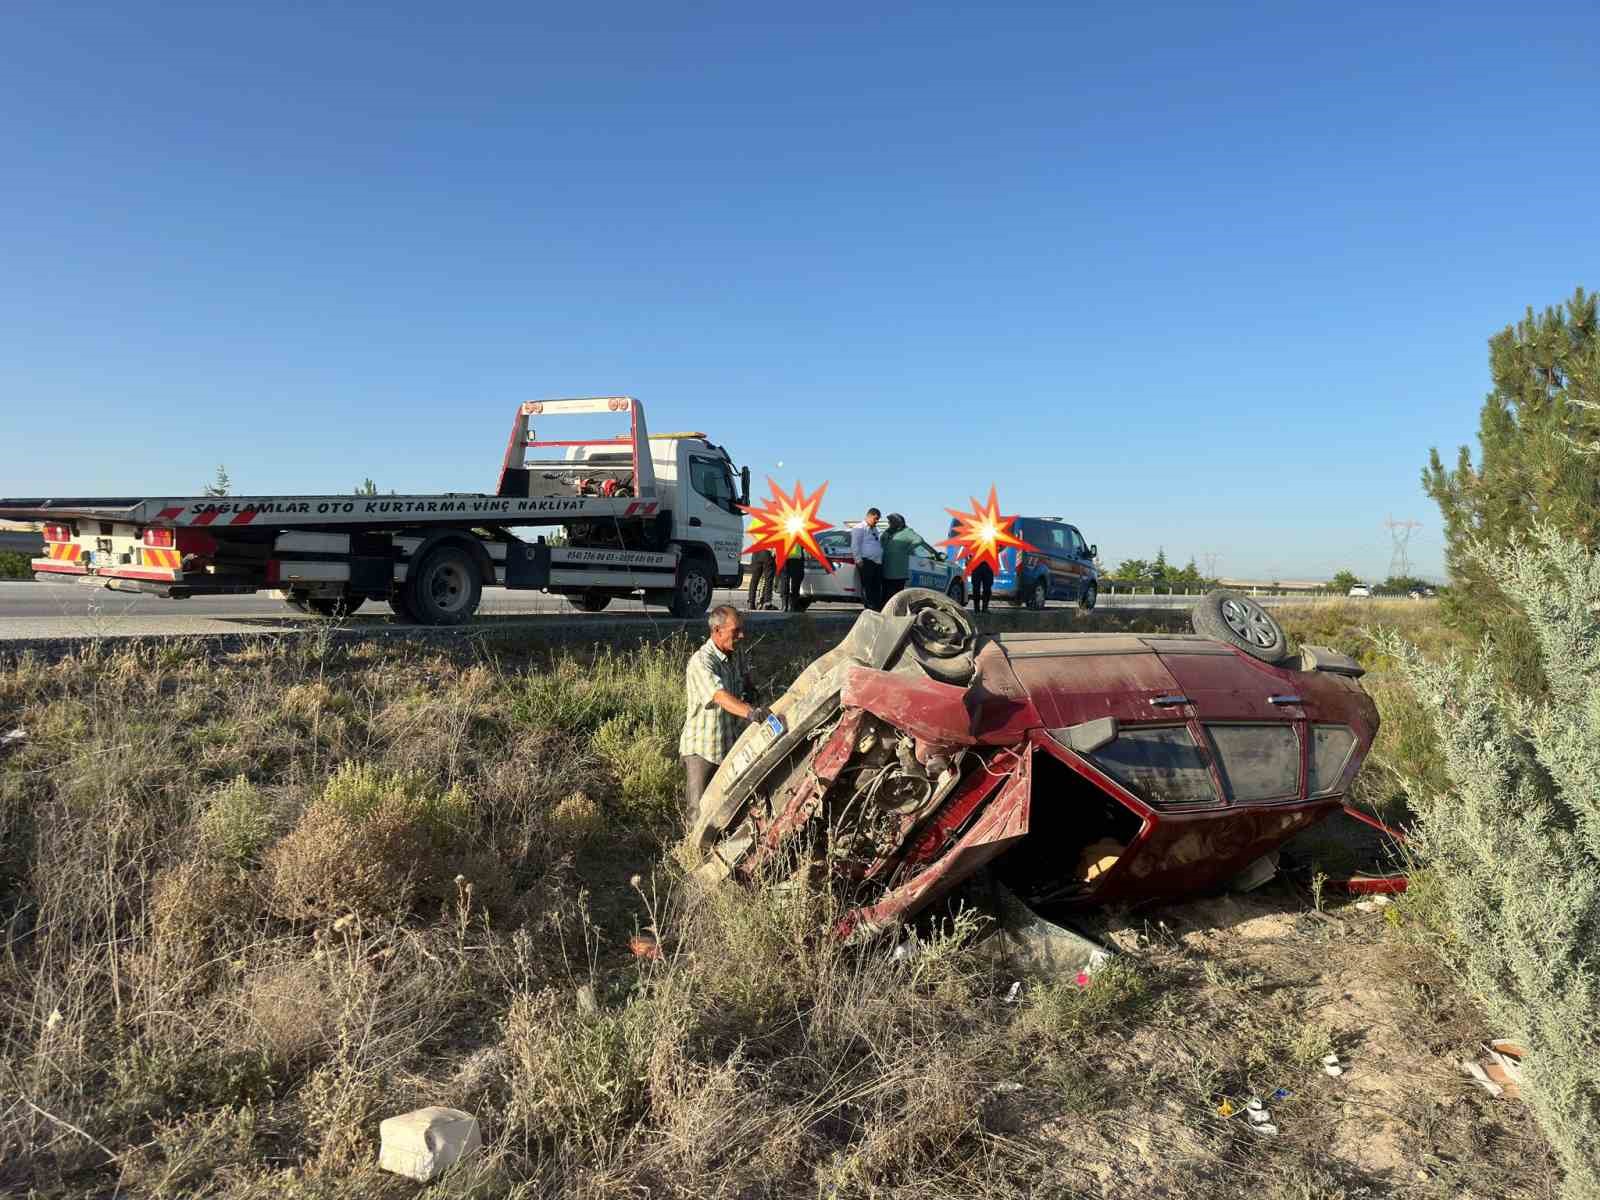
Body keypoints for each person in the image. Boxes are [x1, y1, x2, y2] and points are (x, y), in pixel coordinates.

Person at [679, 606, 780, 824]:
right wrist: (751, 713)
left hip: (728, 745)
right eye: (736, 631)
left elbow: (744, 679)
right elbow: (719, 695)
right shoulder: (702, 662)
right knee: (698, 811)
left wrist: (752, 691)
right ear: (717, 631)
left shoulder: (735, 653)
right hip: (703, 749)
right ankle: (693, 855)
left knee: (725, 808)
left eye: (741, 630)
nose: (741, 636)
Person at [879, 512, 923, 605]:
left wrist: (908, 549)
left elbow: (919, 540)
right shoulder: (888, 532)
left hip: (898, 571)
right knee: (885, 595)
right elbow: (882, 541)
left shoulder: (907, 532)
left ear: (898, 522)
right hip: (886, 569)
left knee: (895, 596)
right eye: (889, 522)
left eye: (891, 522)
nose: (890, 524)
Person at [850, 507, 884, 610]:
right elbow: (855, 545)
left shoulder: (874, 529)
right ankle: (869, 607)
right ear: (869, 516)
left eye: (878, 519)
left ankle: (876, 606)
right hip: (866, 561)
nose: (877, 521)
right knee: (867, 586)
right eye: (875, 518)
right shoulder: (859, 528)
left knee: (876, 586)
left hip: (877, 562)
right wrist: (858, 560)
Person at [780, 542, 807, 611]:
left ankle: (784, 605)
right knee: (796, 581)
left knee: (785, 580)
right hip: (796, 557)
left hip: (784, 556)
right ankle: (793, 605)